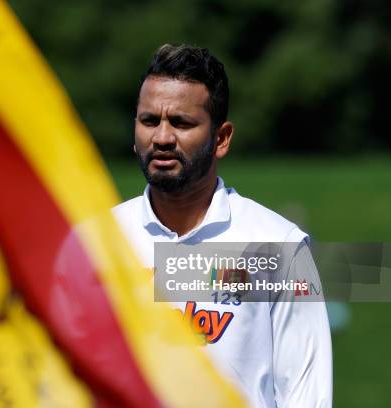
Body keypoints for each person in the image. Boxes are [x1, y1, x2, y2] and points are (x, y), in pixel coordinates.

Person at [111, 44, 332, 407]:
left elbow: (308, 394)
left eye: (181, 123)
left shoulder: (280, 246)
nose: (162, 138)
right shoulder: (97, 240)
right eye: (150, 120)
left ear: (221, 138)